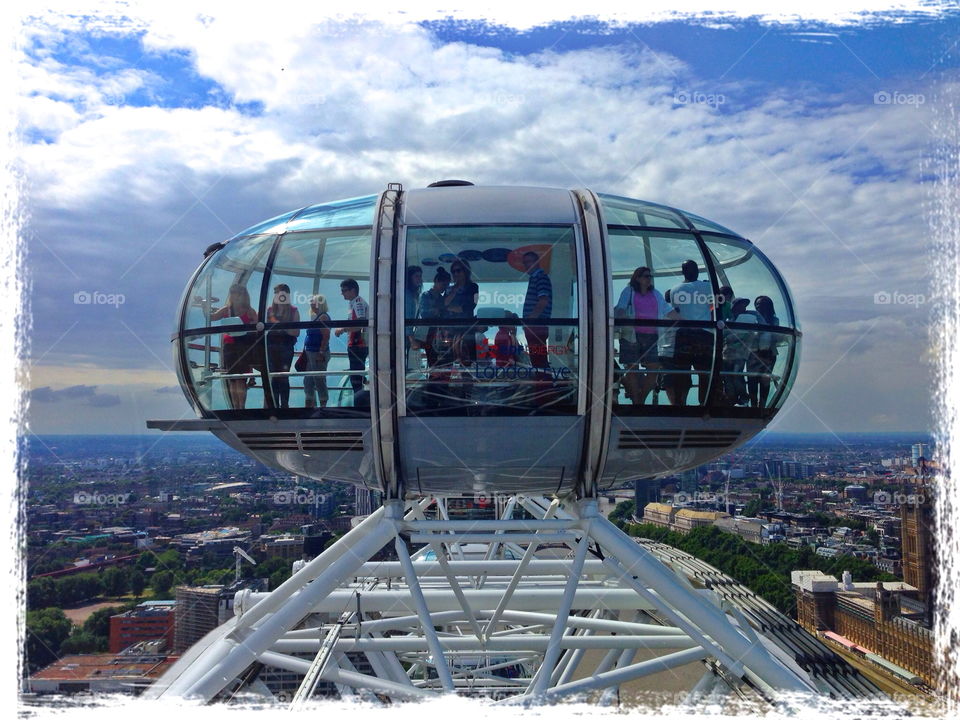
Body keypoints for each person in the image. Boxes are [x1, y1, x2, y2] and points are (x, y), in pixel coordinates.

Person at [614, 266, 675, 405]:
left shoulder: (656, 294)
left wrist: (686, 322)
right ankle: (637, 401)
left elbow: (667, 310)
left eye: (650, 276)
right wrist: (624, 320)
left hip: (651, 336)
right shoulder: (629, 291)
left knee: (653, 369)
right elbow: (621, 308)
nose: (649, 279)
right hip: (631, 336)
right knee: (632, 369)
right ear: (638, 278)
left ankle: (640, 400)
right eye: (646, 276)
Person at [668, 259, 714, 406]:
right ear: (697, 271)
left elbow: (677, 310)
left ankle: (680, 402)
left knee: (682, 371)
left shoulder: (675, 289)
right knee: (705, 372)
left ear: (682, 272)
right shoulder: (708, 287)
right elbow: (713, 307)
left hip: (683, 333)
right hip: (704, 333)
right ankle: (704, 403)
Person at [210, 284, 258, 409]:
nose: (233, 295)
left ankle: (241, 407)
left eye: (236, 292)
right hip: (230, 346)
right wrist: (206, 308)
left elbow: (258, 325)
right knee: (232, 377)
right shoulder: (227, 310)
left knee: (240, 378)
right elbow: (212, 317)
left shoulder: (249, 311)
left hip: (243, 346)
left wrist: (252, 325)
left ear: (242, 295)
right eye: (232, 292)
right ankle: (236, 407)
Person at [266, 283, 300, 408]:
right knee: (274, 376)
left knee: (283, 375)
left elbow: (296, 332)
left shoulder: (293, 310)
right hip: (271, 346)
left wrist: (282, 327)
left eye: (279, 292)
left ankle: (284, 405)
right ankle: (274, 406)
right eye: (275, 292)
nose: (277, 295)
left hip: (286, 346)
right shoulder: (270, 310)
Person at [334, 278, 369, 399]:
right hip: (356, 344)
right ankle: (360, 401)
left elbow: (360, 324)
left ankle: (360, 405)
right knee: (356, 377)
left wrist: (342, 329)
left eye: (344, 290)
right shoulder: (353, 303)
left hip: (358, 344)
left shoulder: (358, 302)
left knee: (356, 378)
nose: (342, 293)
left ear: (352, 290)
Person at [521, 251, 552, 371]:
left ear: (537, 262)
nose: (527, 265)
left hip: (536, 325)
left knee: (538, 359)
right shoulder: (536, 278)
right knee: (537, 358)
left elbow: (543, 301)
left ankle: (542, 383)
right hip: (536, 325)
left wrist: (529, 321)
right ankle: (542, 382)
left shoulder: (540, 277)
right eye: (525, 263)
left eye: (529, 261)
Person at [444, 260, 479, 366]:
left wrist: (452, 308)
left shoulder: (473, 287)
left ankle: (468, 381)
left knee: (469, 362)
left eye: (458, 271)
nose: (456, 274)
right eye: (453, 272)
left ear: (465, 271)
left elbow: (472, 305)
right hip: (451, 330)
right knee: (449, 361)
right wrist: (454, 291)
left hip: (467, 329)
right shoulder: (449, 289)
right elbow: (443, 305)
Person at [721, 297, 755, 405]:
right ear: (734, 307)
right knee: (727, 377)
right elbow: (724, 336)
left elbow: (744, 335)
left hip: (740, 354)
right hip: (727, 353)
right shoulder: (729, 321)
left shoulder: (749, 320)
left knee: (736, 374)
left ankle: (743, 396)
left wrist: (732, 336)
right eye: (740, 305)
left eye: (744, 306)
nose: (743, 308)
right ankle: (731, 398)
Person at [748, 295, 780, 408]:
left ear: (768, 306)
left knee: (765, 380)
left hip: (769, 354)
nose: (758, 307)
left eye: (761, 304)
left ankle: (762, 405)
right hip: (754, 353)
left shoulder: (774, 320)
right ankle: (753, 406)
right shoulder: (753, 319)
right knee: (752, 380)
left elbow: (774, 336)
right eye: (757, 305)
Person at [303, 294, 331, 408]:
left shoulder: (323, 317)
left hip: (317, 353)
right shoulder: (317, 316)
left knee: (319, 380)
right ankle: (310, 405)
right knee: (308, 381)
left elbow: (326, 336)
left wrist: (321, 352)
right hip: (311, 353)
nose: (311, 303)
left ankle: (322, 406)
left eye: (313, 301)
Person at [404, 265, 423, 369]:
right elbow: (407, 318)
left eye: (420, 276)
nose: (419, 279)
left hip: (409, 336)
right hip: (406, 337)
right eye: (417, 276)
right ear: (410, 278)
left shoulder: (414, 295)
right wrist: (412, 340)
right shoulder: (407, 295)